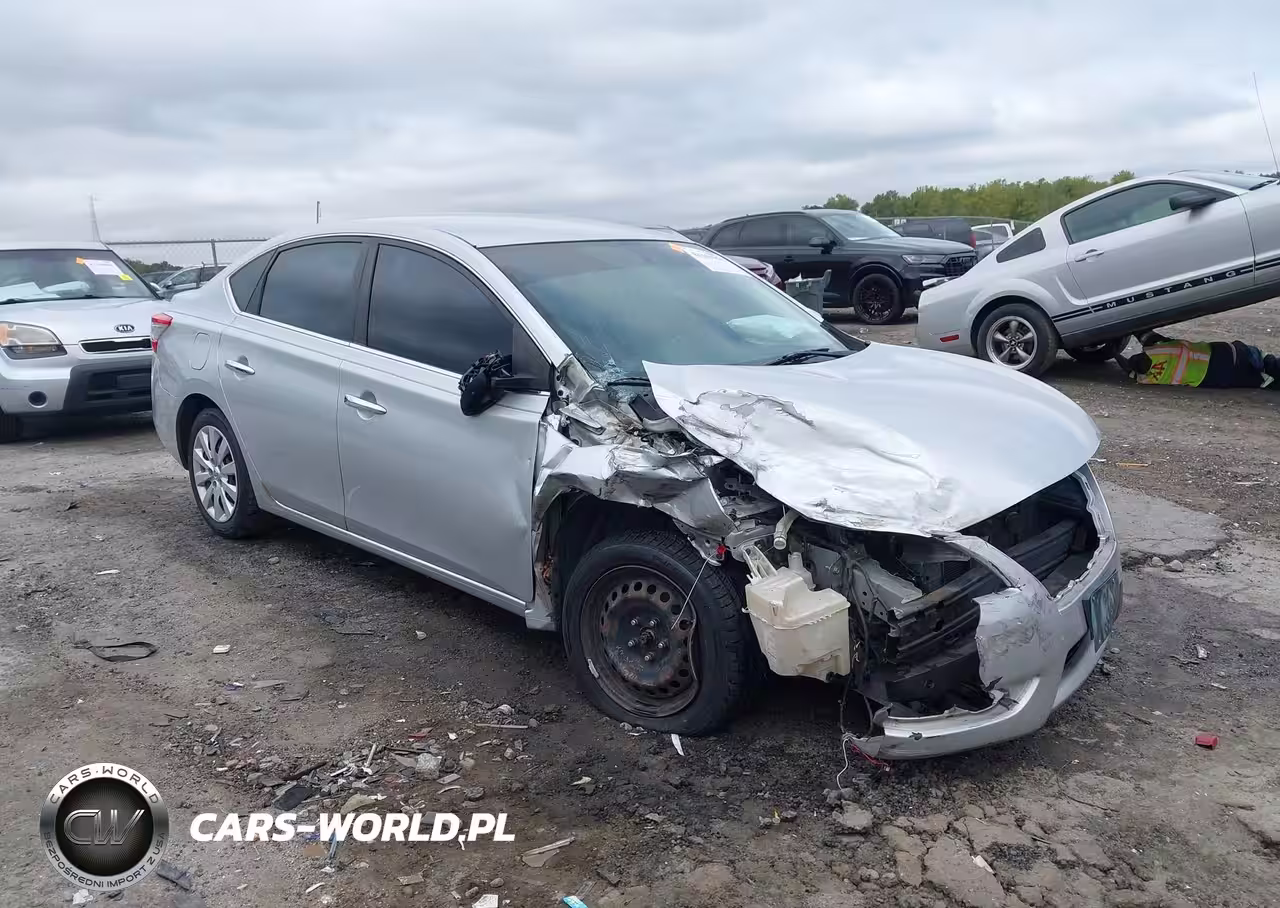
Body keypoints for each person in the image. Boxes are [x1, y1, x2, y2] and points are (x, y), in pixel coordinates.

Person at [1115, 331, 1280, 389]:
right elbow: (1143, 333)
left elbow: (1127, 368)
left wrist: (1114, 354)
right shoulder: (1159, 349)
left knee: (1261, 379)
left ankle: (1265, 378)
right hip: (1225, 357)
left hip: (1218, 379)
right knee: (1263, 360)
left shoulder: (1146, 379)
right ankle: (1265, 368)